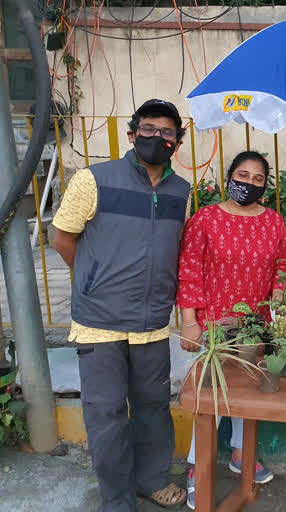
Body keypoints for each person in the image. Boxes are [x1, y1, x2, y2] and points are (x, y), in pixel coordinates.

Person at [52, 99, 190, 510]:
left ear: (176, 143)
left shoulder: (179, 190)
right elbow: (63, 239)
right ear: (132, 135)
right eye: (148, 130)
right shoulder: (94, 180)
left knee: (152, 409)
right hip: (100, 322)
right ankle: (116, 499)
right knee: (107, 415)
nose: (156, 138)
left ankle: (151, 480)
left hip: (152, 323)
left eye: (167, 132)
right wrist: (95, 281)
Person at [177, 151, 286, 510]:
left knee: (249, 392)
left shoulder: (273, 222)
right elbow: (189, 269)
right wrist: (188, 322)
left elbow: (282, 264)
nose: (249, 184)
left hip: (255, 322)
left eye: (258, 179)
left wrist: (278, 298)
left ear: (265, 186)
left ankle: (242, 454)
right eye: (243, 175)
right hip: (212, 323)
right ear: (229, 177)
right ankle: (198, 466)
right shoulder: (205, 219)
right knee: (210, 397)